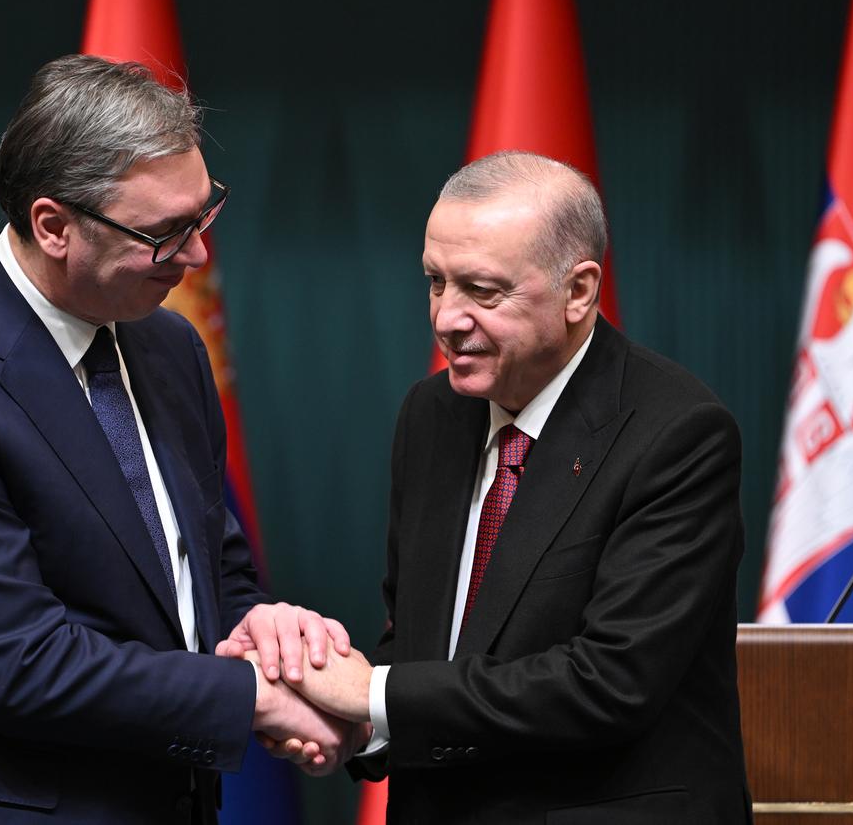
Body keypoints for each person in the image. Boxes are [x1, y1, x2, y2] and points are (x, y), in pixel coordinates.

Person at [0, 55, 357, 825]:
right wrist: (256, 698)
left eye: (203, 213)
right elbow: (17, 661)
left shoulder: (169, 347)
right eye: (164, 233)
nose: (198, 256)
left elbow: (209, 569)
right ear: (53, 226)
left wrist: (260, 629)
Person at [286, 152, 753, 823]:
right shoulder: (431, 414)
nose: (447, 317)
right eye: (435, 281)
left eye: (482, 290)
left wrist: (373, 695)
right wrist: (353, 722)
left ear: (579, 292)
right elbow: (426, 642)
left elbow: (609, 683)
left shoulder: (676, 432)